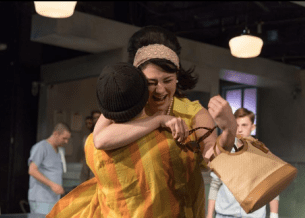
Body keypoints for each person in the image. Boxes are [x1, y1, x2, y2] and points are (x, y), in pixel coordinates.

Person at [47, 61, 223, 218]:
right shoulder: (177, 141)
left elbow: (101, 135)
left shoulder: (94, 148)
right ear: (146, 96)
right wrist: (225, 128)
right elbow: (214, 160)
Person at [93, 25, 237, 162]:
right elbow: (100, 140)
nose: (160, 89)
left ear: (177, 77)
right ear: (138, 80)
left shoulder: (193, 112)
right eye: (151, 83)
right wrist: (158, 120)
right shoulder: (128, 101)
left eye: (168, 80)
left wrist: (230, 130)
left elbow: (212, 159)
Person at [28, 122, 71, 218]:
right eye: (64, 138)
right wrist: (52, 184)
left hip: (52, 199)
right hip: (41, 197)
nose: (66, 141)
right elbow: (32, 170)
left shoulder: (58, 151)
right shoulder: (41, 147)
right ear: (55, 134)